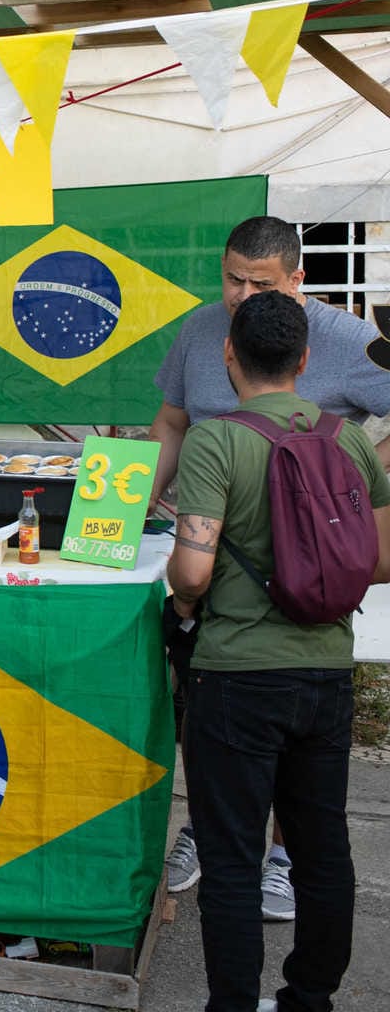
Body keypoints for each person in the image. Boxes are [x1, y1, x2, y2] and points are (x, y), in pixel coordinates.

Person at [150, 215, 390, 918]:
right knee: (203, 701)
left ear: (297, 281)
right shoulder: (200, 330)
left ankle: (282, 854)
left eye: (260, 282)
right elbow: (170, 422)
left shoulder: (346, 340)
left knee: (293, 708)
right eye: (232, 278)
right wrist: (138, 506)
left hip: (301, 561)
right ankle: (211, 826)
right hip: (208, 549)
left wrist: (367, 482)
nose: (241, 294)